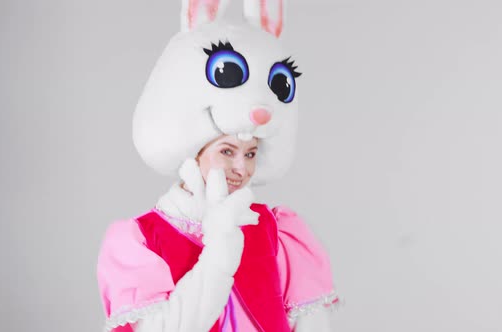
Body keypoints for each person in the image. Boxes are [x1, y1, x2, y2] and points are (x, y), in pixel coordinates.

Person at [97, 0, 339, 331]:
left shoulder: (277, 233)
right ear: (193, 148)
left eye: (251, 153)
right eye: (227, 152)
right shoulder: (139, 241)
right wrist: (220, 250)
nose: (241, 168)